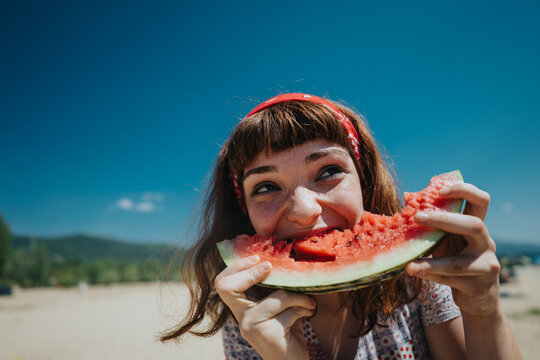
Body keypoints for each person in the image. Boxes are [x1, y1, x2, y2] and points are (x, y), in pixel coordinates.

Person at [161, 93, 522, 359]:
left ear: (363, 181)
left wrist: (483, 311)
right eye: (267, 187)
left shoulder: (421, 278)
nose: (303, 210)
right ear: (246, 211)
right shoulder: (249, 317)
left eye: (328, 172)